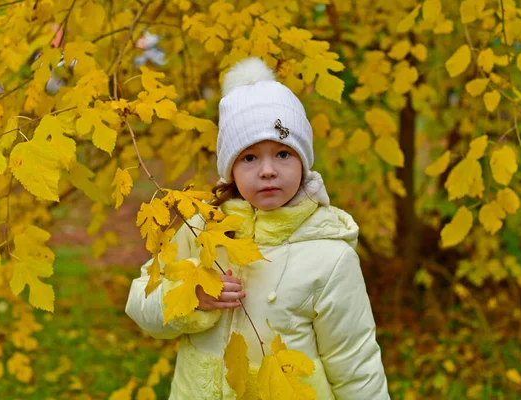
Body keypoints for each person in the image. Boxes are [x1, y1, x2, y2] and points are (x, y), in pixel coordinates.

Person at [125, 57, 389, 399]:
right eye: (249, 158)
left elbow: (355, 362)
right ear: (230, 168)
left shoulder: (331, 254)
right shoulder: (204, 228)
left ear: (303, 162)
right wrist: (190, 295)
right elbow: (140, 301)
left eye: (282, 154)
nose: (267, 170)